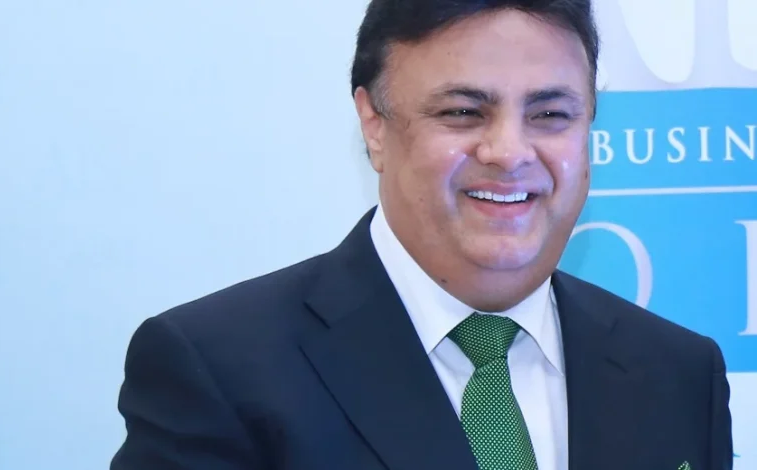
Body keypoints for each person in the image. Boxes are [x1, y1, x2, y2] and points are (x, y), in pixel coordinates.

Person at [110, 1, 733, 469]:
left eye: (550, 114)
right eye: (462, 112)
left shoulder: (679, 374)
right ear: (374, 126)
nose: (509, 151)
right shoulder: (218, 369)